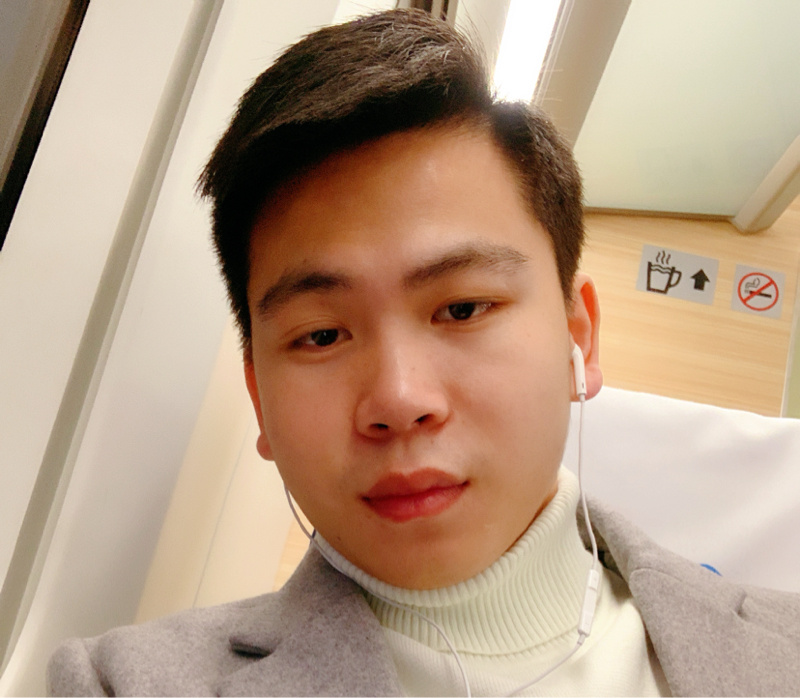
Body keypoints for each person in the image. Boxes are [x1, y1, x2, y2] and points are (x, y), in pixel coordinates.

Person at [48, 9, 800, 697]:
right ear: (259, 400)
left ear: (579, 337)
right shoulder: (121, 686)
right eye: (321, 335)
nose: (400, 399)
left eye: (463, 308)